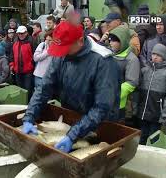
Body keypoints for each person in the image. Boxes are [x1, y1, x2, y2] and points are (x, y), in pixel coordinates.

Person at [21, 21, 120, 153]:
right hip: (72, 118)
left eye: (65, 48)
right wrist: (29, 116)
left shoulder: (103, 61)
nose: (61, 52)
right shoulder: (62, 56)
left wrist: (73, 135)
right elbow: (44, 87)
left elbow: (102, 107)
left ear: (80, 41)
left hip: (99, 125)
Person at [137, 42, 166, 144]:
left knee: (154, 140)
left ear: (164, 57)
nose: (154, 57)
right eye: (153, 54)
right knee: (141, 138)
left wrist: (165, 116)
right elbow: (137, 91)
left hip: (157, 114)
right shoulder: (145, 70)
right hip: (143, 112)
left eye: (158, 55)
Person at [109, 26, 140, 120]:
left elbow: (131, 83)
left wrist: (112, 95)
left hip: (118, 105)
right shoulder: (109, 54)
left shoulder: (132, 59)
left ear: (122, 41)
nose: (110, 43)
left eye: (114, 41)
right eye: (110, 40)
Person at [10, 26, 35, 100]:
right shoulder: (15, 41)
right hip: (17, 70)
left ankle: (28, 105)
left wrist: (32, 65)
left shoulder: (31, 41)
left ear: (26, 33)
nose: (20, 35)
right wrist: (12, 65)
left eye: (22, 33)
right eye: (19, 33)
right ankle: (22, 103)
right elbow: (12, 55)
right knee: (19, 89)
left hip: (28, 71)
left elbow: (35, 55)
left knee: (28, 89)